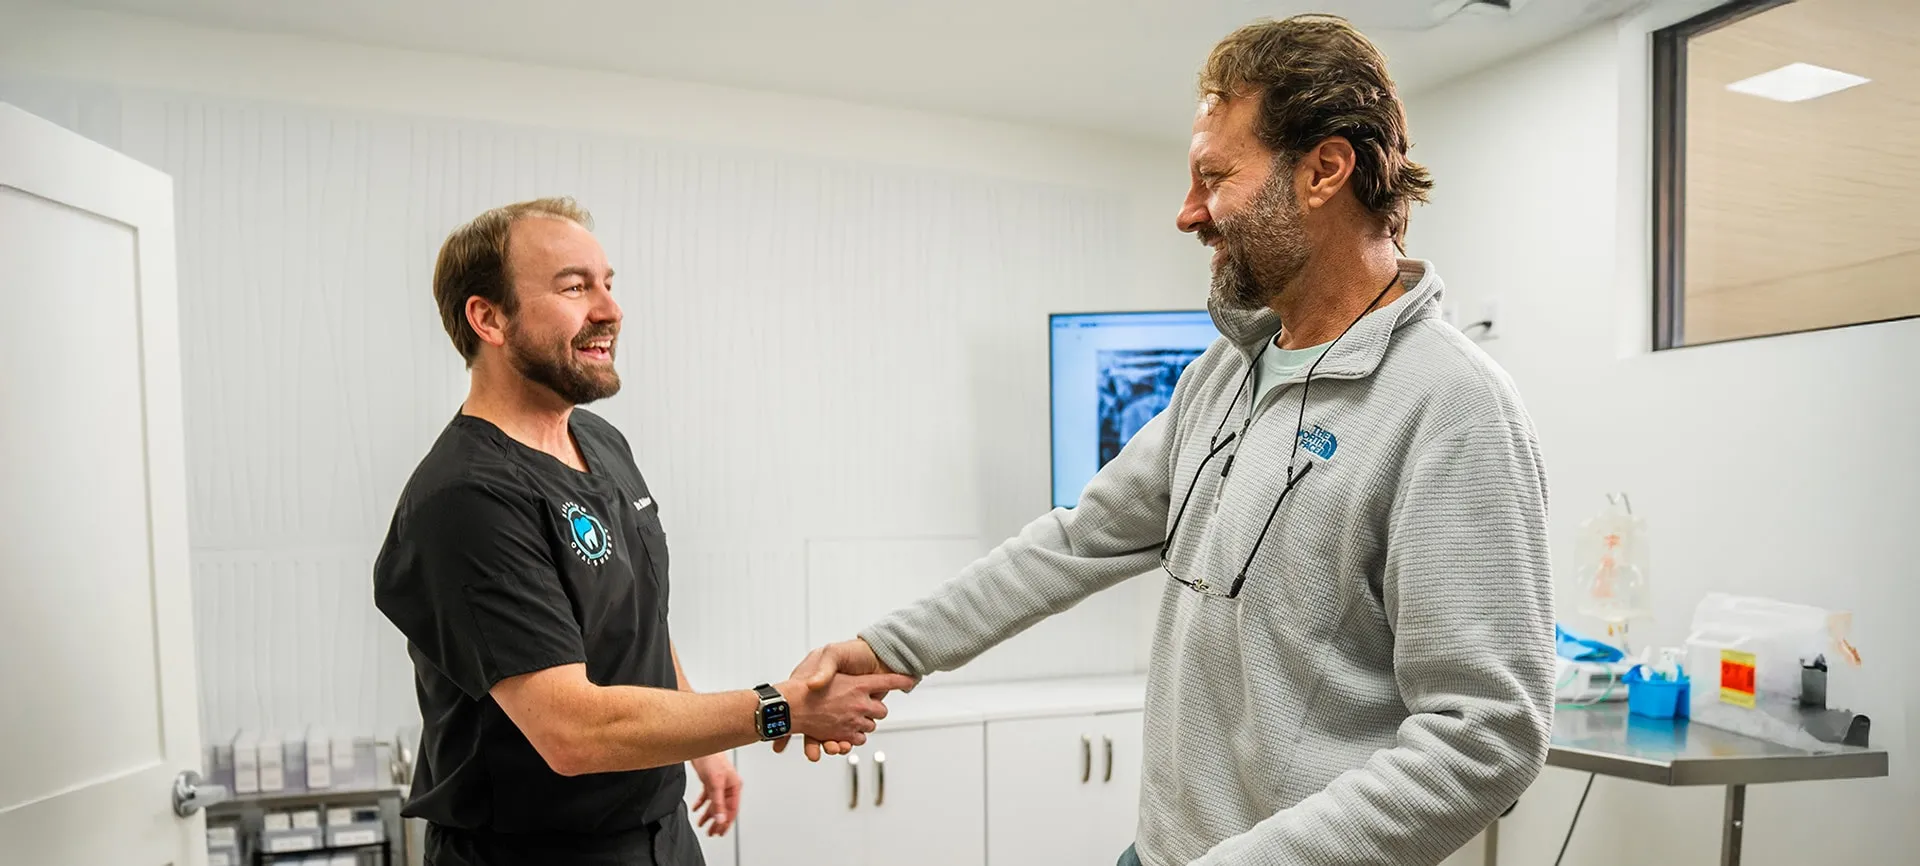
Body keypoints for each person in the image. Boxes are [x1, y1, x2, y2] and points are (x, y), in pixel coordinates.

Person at [787, 14, 1555, 866]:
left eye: (1215, 177)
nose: (1189, 213)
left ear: (1324, 170)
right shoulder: (1225, 373)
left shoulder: (1453, 406)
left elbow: (1486, 737)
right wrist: (889, 648)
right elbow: (1077, 539)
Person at [373, 197, 915, 866]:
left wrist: (702, 745)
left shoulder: (598, 441)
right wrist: (782, 708)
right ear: (489, 318)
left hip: (660, 834)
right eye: (574, 287)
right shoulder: (469, 497)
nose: (611, 309)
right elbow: (572, 732)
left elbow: (633, 619)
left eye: (608, 283)